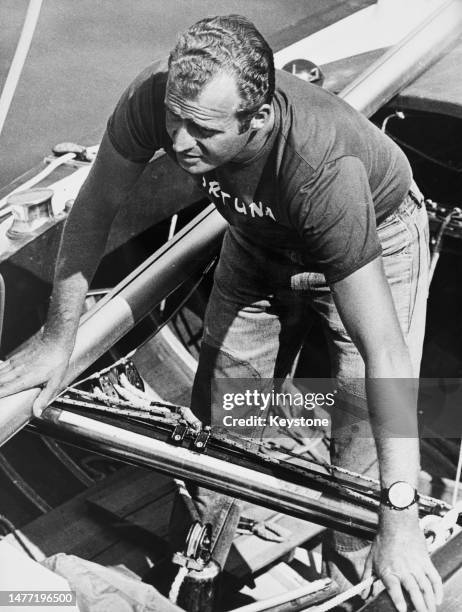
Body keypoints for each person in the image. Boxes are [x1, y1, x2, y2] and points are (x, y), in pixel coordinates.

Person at [0, 14, 442, 612]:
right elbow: (94, 209)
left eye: (202, 129)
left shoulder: (321, 173)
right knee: (227, 404)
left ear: (257, 117)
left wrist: (404, 517)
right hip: (256, 236)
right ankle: (200, 565)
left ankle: (357, 576)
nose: (179, 143)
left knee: (359, 410)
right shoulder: (154, 98)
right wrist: (58, 338)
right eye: (174, 119)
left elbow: (385, 354)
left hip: (375, 241)